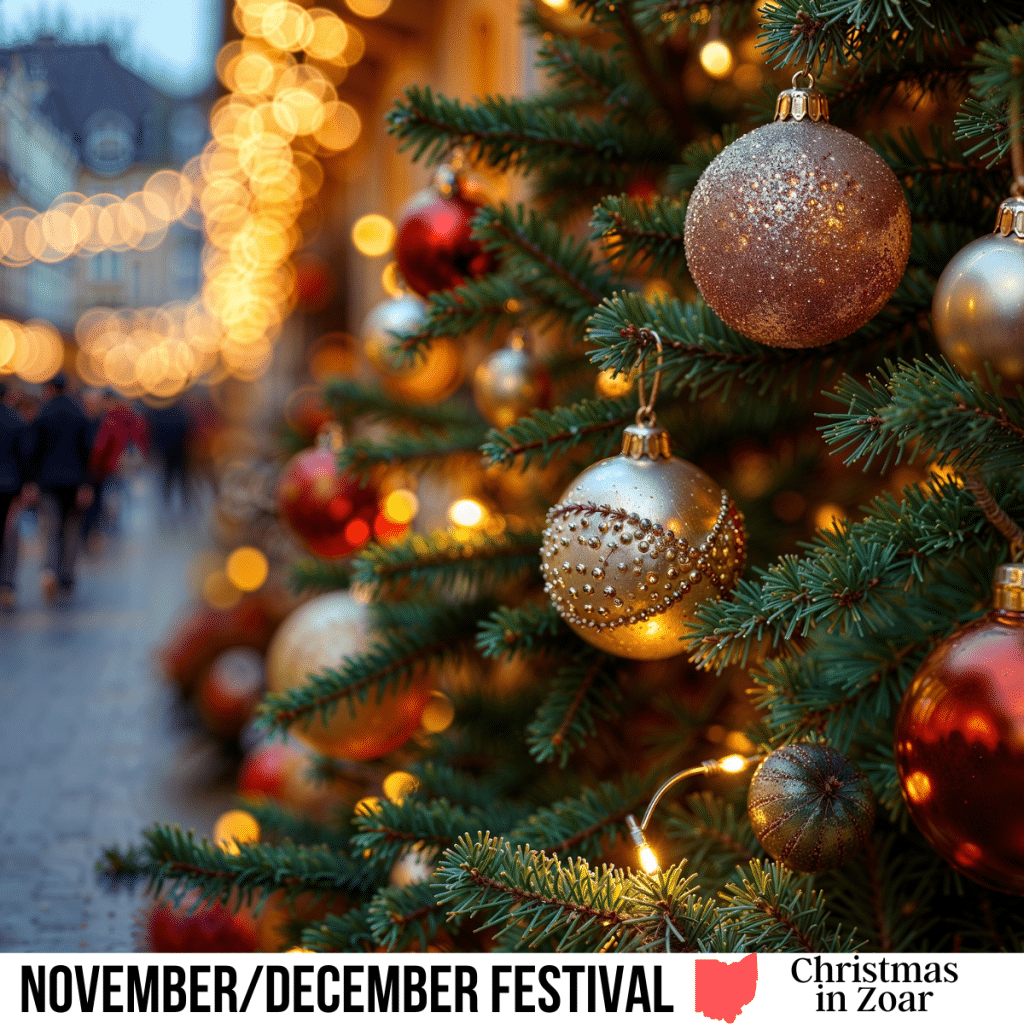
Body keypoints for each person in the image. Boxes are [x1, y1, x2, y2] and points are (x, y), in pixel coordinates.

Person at [24, 373, 93, 602]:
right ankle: (67, 576)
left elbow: (34, 450)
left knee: (50, 530)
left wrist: (32, 481)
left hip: (48, 483)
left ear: (51, 389)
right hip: (75, 483)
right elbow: (87, 451)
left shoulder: (43, 413)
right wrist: (86, 484)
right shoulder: (80, 412)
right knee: (71, 531)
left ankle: (49, 570)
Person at [85, 388, 147, 546]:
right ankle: (117, 529)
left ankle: (110, 530)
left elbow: (102, 445)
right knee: (119, 497)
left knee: (110, 498)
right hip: (122, 465)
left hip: (110, 466)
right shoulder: (130, 415)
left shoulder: (110, 419)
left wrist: (95, 464)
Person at [0, 382, 27, 609]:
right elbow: (24, 455)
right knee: (10, 535)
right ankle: (7, 584)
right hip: (10, 486)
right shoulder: (16, 420)